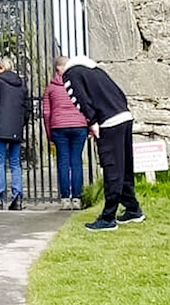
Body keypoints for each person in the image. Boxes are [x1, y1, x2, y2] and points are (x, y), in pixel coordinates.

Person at [61, 55, 144, 231]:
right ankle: (132, 208)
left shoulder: (70, 74)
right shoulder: (95, 70)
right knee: (125, 167)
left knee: (112, 168)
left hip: (109, 122)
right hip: (123, 115)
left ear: (59, 68)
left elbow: (80, 100)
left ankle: (108, 217)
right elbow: (119, 92)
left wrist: (92, 122)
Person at [42, 55, 89, 210]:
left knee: (63, 162)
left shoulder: (51, 87)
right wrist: (88, 124)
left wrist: (49, 132)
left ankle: (64, 199)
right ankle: (77, 198)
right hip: (79, 125)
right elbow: (86, 104)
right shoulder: (78, 84)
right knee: (76, 161)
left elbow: (46, 112)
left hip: (58, 127)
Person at [0, 56, 28, 211]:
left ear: (1, 67)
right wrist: (21, 123)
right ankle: (17, 198)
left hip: (0, 125)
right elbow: (26, 107)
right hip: (16, 127)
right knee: (15, 162)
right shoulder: (21, 84)